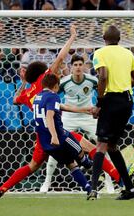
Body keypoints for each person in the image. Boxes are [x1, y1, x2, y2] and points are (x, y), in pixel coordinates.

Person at [0, 25, 80, 199]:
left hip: (40, 134)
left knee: (32, 166)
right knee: (82, 153)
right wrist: (72, 37)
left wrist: (23, 82)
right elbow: (60, 57)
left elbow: (15, 99)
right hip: (57, 129)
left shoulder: (27, 94)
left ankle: (1, 189)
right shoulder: (43, 81)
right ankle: (114, 180)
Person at [40, 55, 123, 193]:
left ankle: (110, 182)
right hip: (69, 117)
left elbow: (103, 93)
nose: (78, 67)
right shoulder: (64, 82)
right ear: (71, 67)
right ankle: (47, 181)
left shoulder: (92, 80)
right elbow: (52, 96)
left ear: (84, 66)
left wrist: (101, 107)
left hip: (88, 116)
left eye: (80, 64)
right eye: (75, 65)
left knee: (102, 146)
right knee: (55, 148)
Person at [87, 25, 134, 200]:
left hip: (110, 100)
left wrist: (100, 102)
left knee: (101, 145)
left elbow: (103, 76)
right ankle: (130, 189)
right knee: (111, 146)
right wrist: (123, 85)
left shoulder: (99, 53)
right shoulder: (128, 53)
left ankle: (93, 189)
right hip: (127, 102)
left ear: (104, 37)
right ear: (120, 39)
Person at [33, 73, 93, 194]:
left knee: (71, 164)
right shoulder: (53, 96)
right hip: (60, 137)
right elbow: (49, 116)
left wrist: (84, 110)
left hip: (46, 143)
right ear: (56, 86)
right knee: (82, 156)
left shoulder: (38, 97)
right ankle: (95, 167)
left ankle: (89, 190)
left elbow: (62, 107)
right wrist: (55, 136)